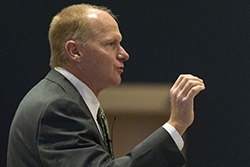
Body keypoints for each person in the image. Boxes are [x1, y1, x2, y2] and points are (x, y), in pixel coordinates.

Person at [7, 3, 205, 167]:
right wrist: (176, 125)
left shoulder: (65, 98)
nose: (124, 54)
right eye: (111, 44)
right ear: (75, 51)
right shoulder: (58, 107)